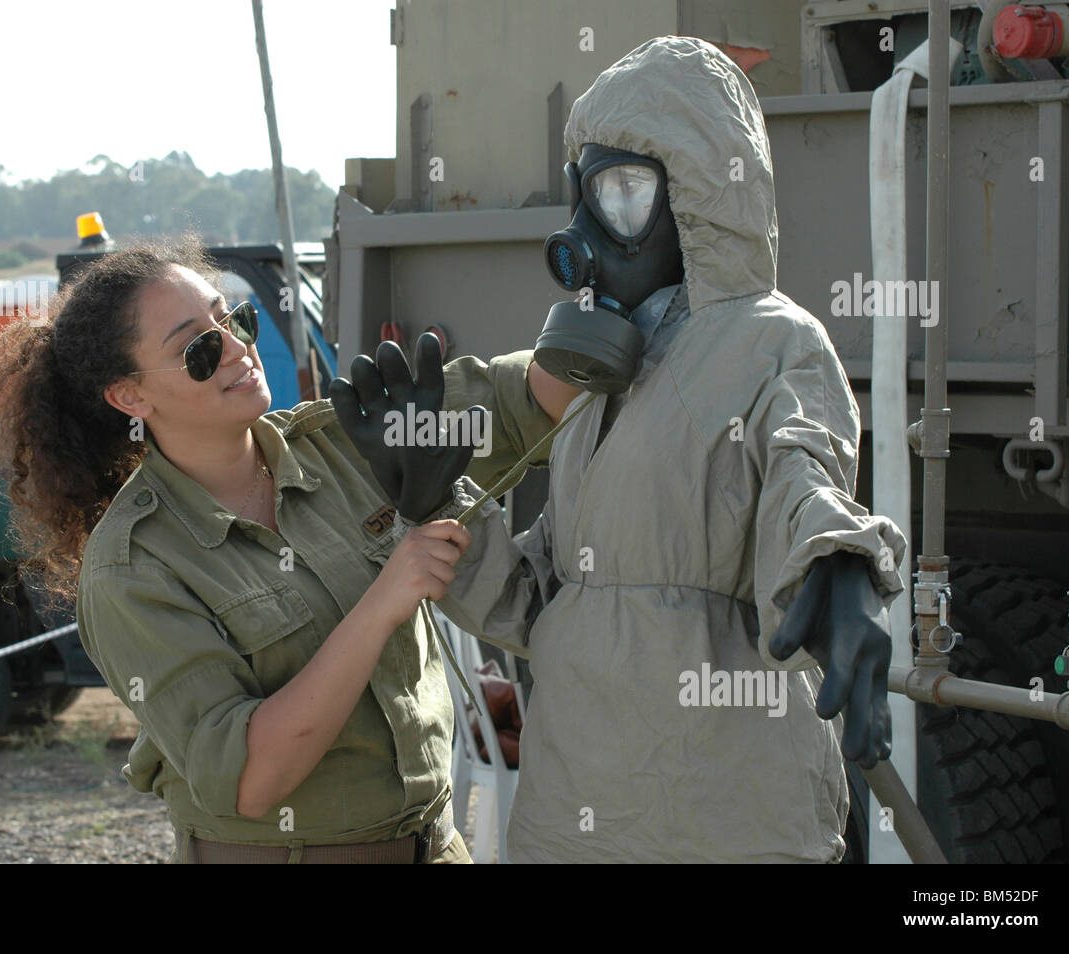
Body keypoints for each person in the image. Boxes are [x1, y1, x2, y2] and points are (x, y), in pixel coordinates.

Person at [331, 36, 909, 862]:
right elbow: (548, 601)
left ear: (702, 200)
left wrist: (837, 570)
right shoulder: (605, 371)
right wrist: (435, 501)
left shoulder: (774, 344)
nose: (587, 231)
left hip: (724, 811)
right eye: (587, 193)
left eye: (626, 192)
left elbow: (805, 476)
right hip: (577, 814)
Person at [0, 237, 580, 863]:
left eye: (235, 320)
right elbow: (251, 778)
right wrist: (384, 600)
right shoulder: (134, 566)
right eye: (198, 350)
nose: (237, 349)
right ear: (130, 397)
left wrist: (609, 298)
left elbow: (531, 399)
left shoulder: (347, 445)